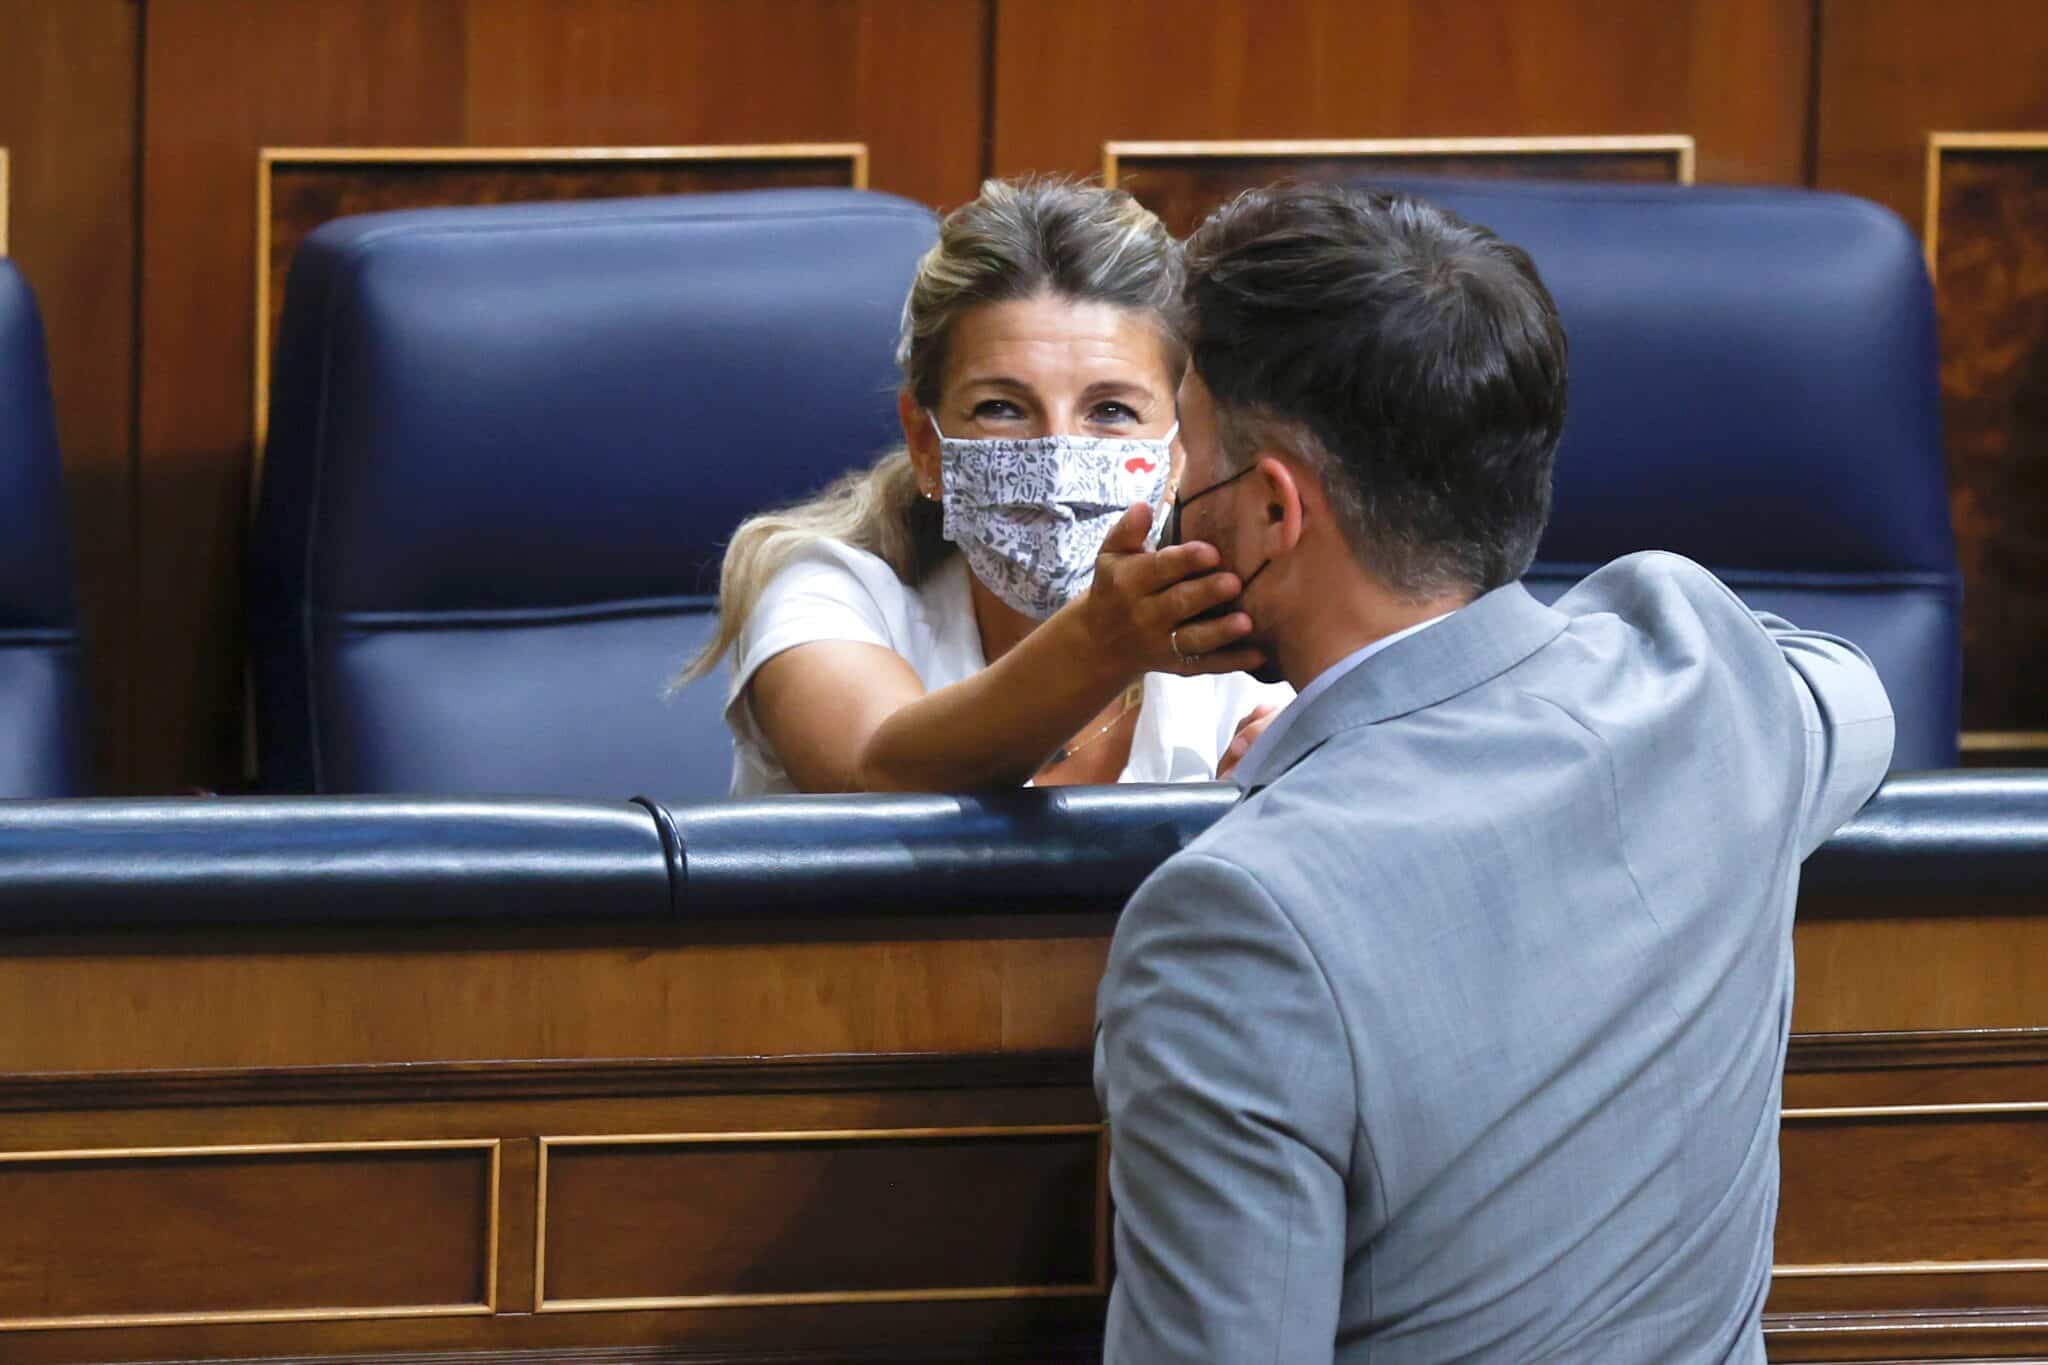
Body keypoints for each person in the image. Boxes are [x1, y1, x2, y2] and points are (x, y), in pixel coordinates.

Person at [1094, 185, 1895, 1363]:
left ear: (1271, 511)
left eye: (1184, 472)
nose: (1168, 516)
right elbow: (1856, 694)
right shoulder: (1706, 677)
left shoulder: (1237, 919)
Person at [678, 178, 1290, 795]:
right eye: (1003, 407)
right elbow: (875, 780)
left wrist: (1268, 812)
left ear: (1181, 443)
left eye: (1110, 411)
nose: (1057, 461)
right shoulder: (827, 591)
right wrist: (1100, 644)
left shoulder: (1246, 610)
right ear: (926, 443)